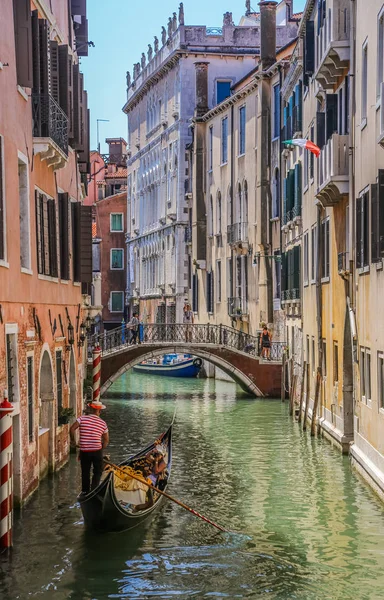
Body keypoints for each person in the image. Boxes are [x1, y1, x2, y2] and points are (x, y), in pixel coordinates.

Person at [70, 399, 109, 495]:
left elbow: (72, 429)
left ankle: (85, 491)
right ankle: (94, 490)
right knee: (97, 472)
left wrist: (73, 441)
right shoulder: (103, 423)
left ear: (91, 409)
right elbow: (106, 440)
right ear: (99, 411)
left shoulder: (82, 419)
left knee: (85, 472)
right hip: (97, 451)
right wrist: (101, 448)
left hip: (85, 451)